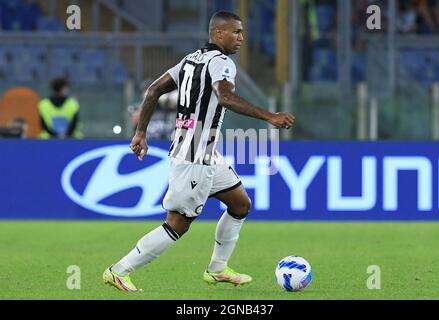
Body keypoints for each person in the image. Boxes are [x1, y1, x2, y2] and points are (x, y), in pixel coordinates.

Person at [103, 11, 295, 292]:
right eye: (236, 32)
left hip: (205, 152)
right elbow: (225, 97)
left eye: (242, 32)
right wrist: (269, 116)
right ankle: (119, 270)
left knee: (240, 204)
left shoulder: (191, 59)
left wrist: (141, 132)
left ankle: (217, 269)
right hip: (193, 156)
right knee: (177, 224)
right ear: (218, 34)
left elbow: (154, 90)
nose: (241, 37)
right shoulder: (221, 63)